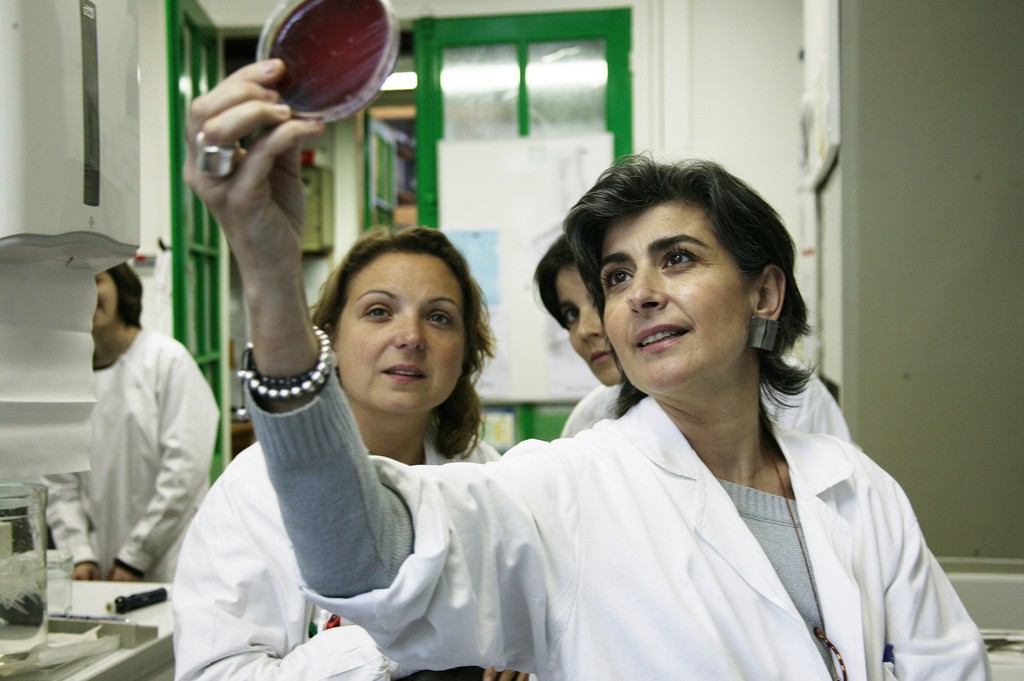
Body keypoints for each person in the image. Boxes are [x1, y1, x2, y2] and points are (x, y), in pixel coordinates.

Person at [185, 60, 988, 680]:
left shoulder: (860, 489)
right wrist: (268, 273)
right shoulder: (563, 489)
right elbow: (366, 555)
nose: (639, 294)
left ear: (764, 291)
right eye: (614, 277)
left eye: (677, 258)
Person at [172, 226, 528, 681]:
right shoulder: (253, 489)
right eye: (379, 312)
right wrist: (415, 636)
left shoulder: (484, 474)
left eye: (439, 317)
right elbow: (216, 674)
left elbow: (531, 622)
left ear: (465, 356)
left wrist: (519, 649)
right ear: (330, 342)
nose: (411, 336)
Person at [534, 234, 853, 440]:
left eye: (677, 260)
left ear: (763, 293)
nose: (586, 329)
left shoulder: (793, 400)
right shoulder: (590, 421)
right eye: (570, 314)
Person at [42, 263, 218, 583]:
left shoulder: (167, 361)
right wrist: (79, 554)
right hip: (97, 570)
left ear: (122, 288)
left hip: (167, 564)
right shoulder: (64, 379)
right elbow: (59, 480)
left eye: (96, 280)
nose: (87, 294)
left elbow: (184, 472)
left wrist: (136, 557)